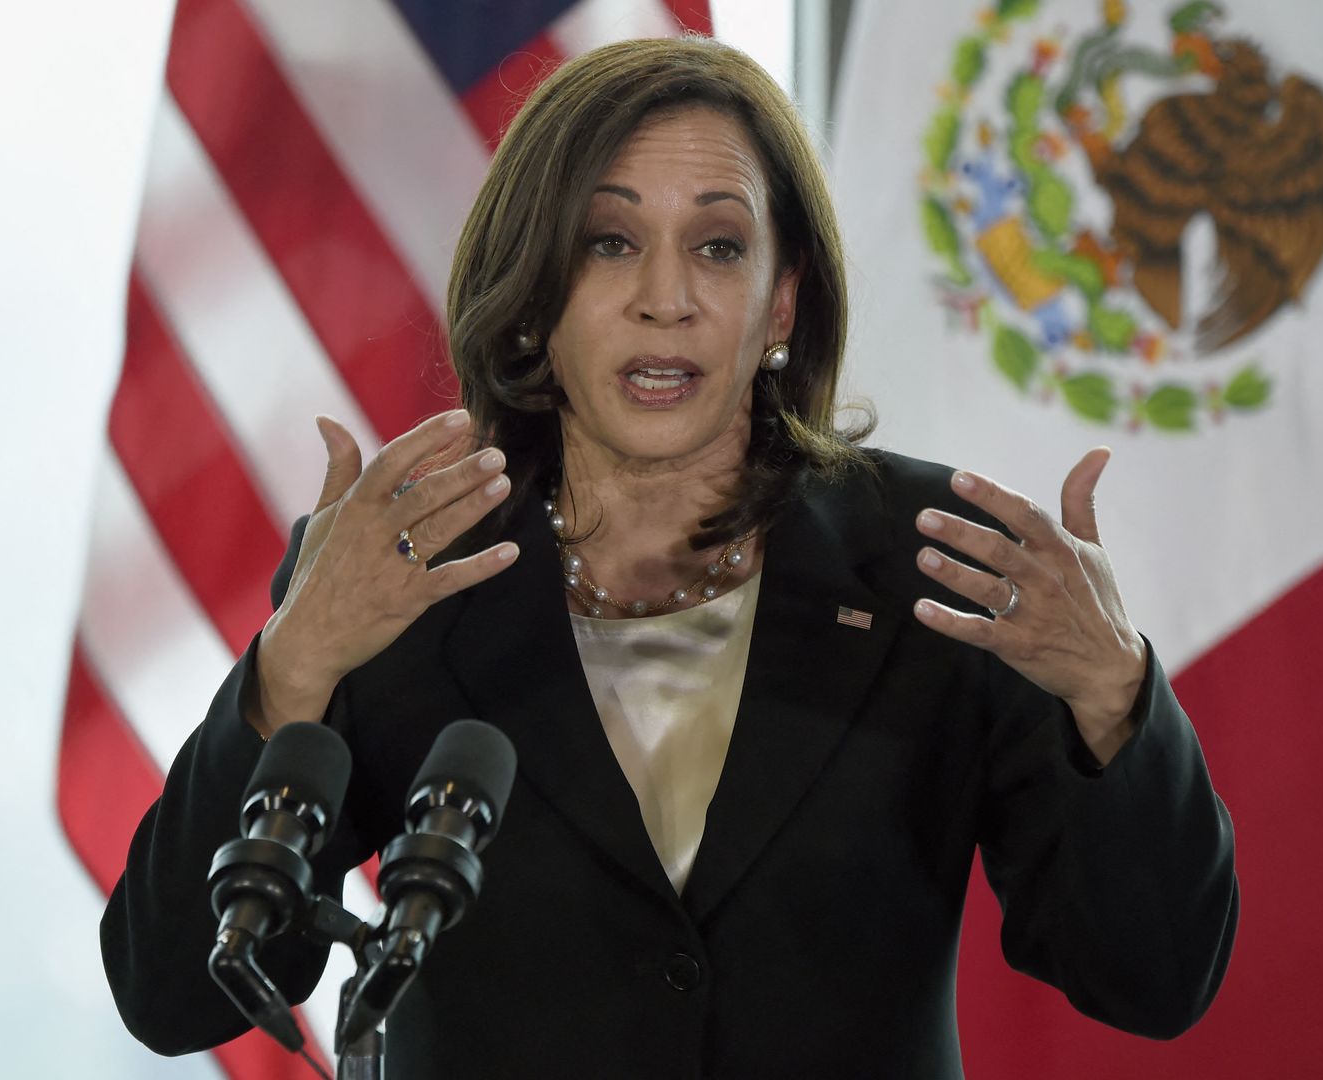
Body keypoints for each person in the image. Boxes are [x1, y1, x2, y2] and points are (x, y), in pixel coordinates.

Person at [102, 35, 1237, 1079]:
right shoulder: (399, 572)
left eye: (719, 245)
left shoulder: (934, 564)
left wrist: (1113, 691)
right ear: (537, 295)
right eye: (609, 242)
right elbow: (168, 992)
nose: (665, 300)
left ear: (781, 299)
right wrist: (291, 667)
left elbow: (1151, 977)